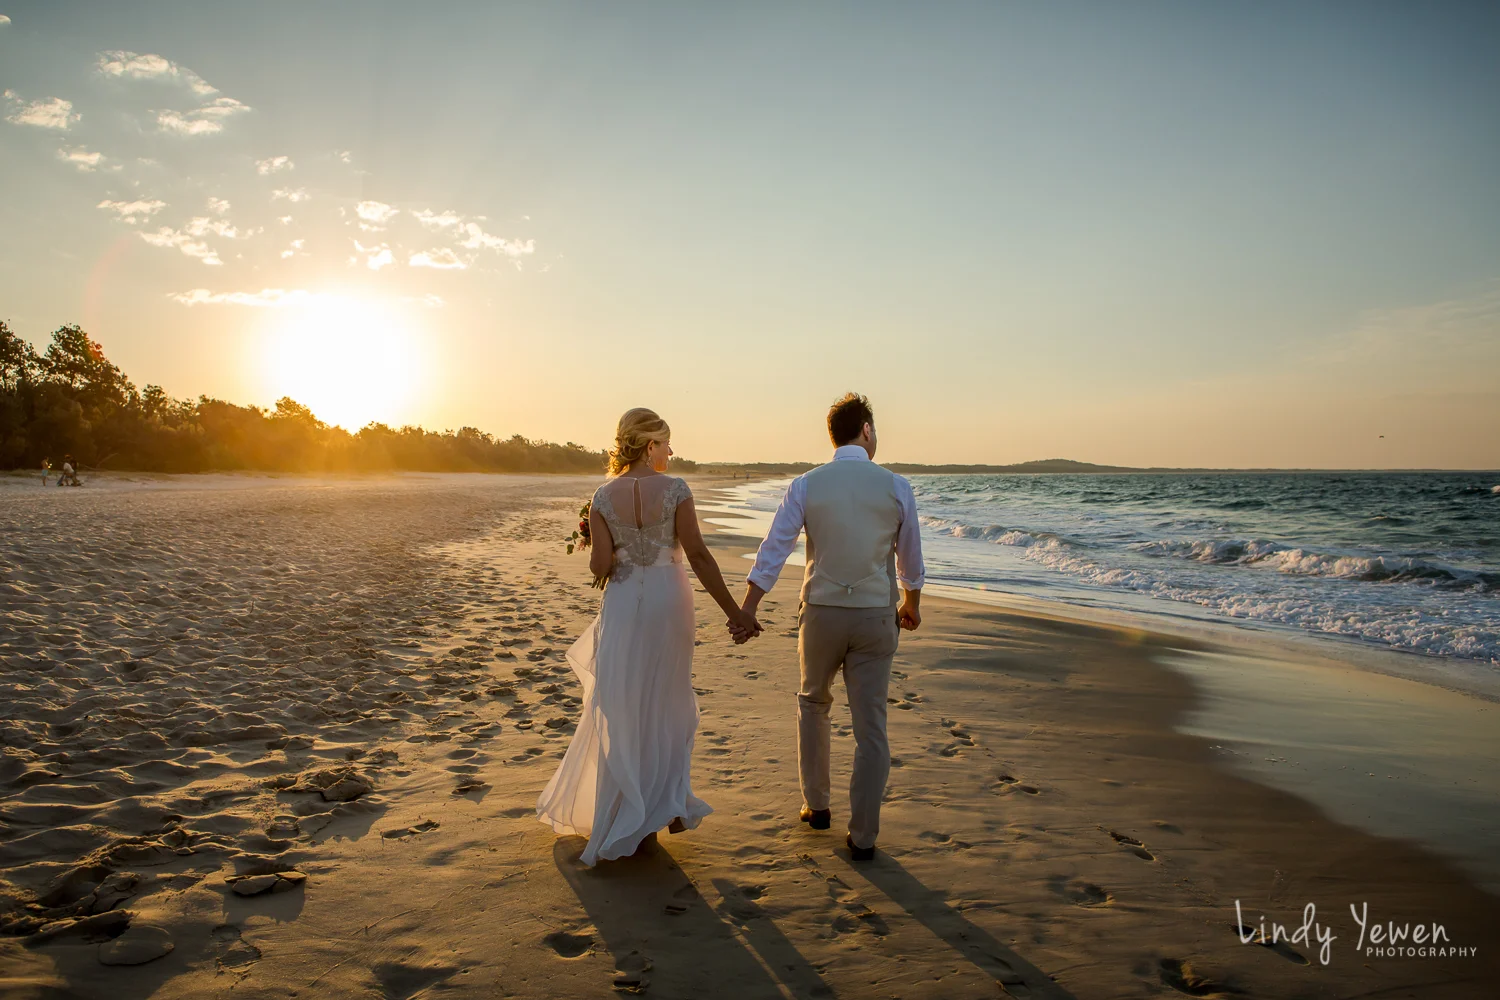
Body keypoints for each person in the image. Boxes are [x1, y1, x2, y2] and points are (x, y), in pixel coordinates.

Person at [537, 408, 761, 865]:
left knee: (623, 702)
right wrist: (735, 612)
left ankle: (635, 809)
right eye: (666, 443)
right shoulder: (676, 489)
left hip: (623, 603)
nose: (671, 452)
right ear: (648, 444)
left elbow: (600, 567)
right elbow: (698, 555)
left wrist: (599, 541)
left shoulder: (602, 496)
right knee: (668, 699)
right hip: (668, 599)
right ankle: (664, 805)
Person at [734, 392, 924, 861]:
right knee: (871, 726)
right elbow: (910, 560)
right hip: (875, 615)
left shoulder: (806, 484)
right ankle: (864, 835)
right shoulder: (896, 486)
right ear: (866, 430)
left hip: (821, 612)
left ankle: (817, 805)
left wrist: (749, 608)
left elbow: (774, 549)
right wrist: (911, 603)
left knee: (813, 703)